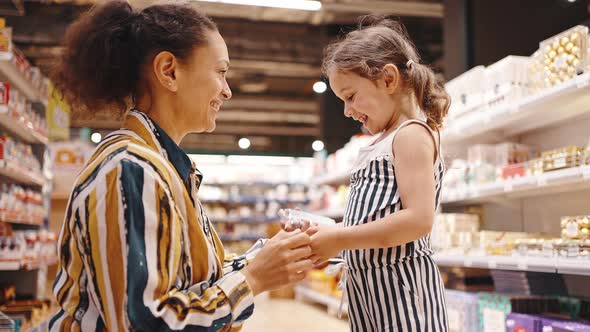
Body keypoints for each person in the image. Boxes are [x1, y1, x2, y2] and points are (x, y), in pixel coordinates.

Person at [49, 2, 314, 331]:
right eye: (220, 71)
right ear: (169, 72)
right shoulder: (131, 169)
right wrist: (253, 278)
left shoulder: (162, 167)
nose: (227, 91)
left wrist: (263, 258)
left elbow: (187, 280)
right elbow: (146, 322)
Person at [308, 16, 450, 331]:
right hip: (372, 293)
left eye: (350, 96)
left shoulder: (411, 134)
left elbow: (417, 220)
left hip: (404, 295)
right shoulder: (382, 141)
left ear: (387, 79)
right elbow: (377, 214)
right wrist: (328, 231)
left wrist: (339, 238)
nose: (346, 111)